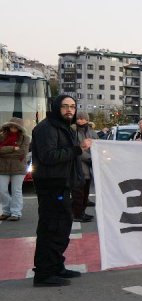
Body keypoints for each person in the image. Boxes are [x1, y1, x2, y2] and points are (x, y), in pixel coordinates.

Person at [31, 95, 90, 287]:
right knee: (51, 229)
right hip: (51, 184)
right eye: (65, 106)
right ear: (57, 107)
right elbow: (49, 156)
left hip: (62, 183)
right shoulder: (46, 128)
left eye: (72, 106)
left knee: (62, 228)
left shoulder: (64, 128)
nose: (69, 110)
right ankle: (44, 273)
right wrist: (77, 149)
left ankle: (56, 266)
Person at [0, 117, 30, 222]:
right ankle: (6, 211)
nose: (13, 128)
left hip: (18, 168)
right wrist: (12, 148)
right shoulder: (1, 136)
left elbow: (22, 152)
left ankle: (15, 212)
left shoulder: (25, 138)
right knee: (2, 190)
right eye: (11, 126)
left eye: (15, 127)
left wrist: (4, 152)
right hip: (2, 167)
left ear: (20, 128)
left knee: (16, 191)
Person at [71, 112, 98, 222]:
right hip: (78, 165)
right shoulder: (72, 131)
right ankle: (77, 214)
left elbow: (98, 145)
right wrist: (90, 158)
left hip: (89, 167)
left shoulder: (91, 132)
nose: (81, 121)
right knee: (78, 193)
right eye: (79, 119)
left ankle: (81, 212)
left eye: (83, 119)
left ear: (87, 120)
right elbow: (75, 149)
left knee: (85, 192)